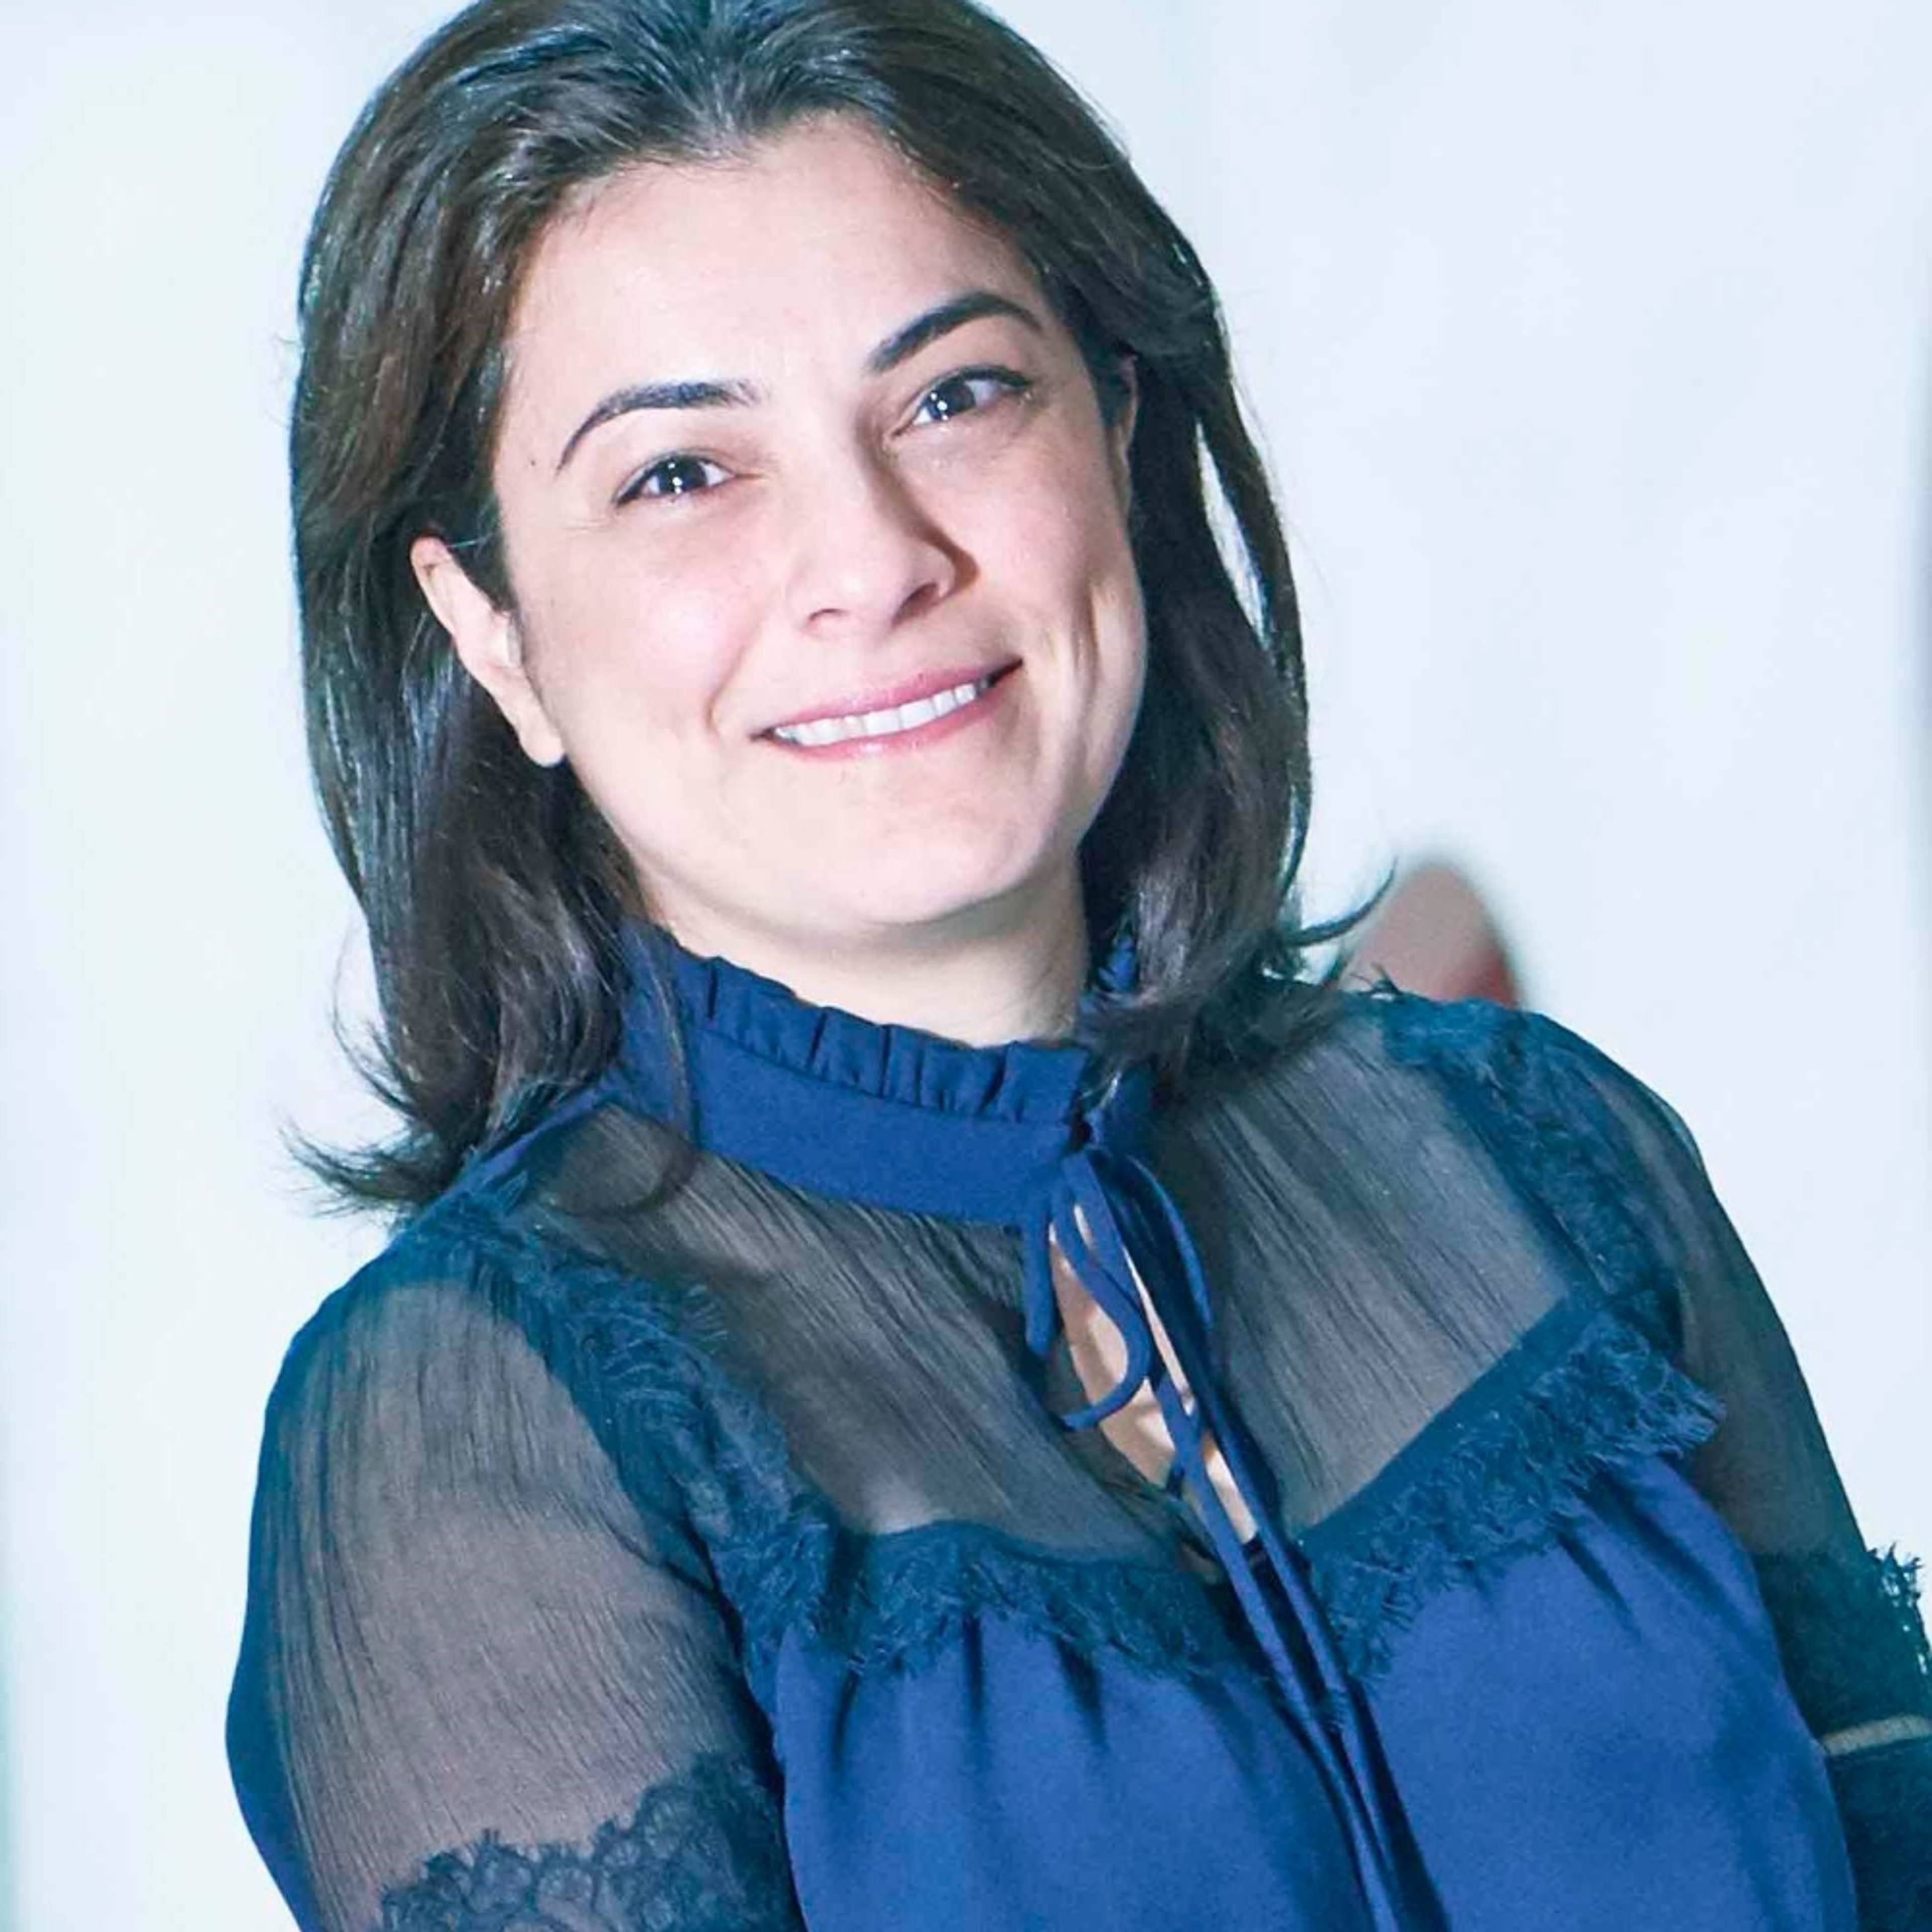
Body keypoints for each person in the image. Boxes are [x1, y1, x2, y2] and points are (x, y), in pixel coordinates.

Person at [225, 2, 1932, 1926]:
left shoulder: (1556, 1155)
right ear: (495, 635)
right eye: (684, 474)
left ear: (1118, 429)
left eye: (955, 395)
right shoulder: (480, 1424)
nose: (870, 560)